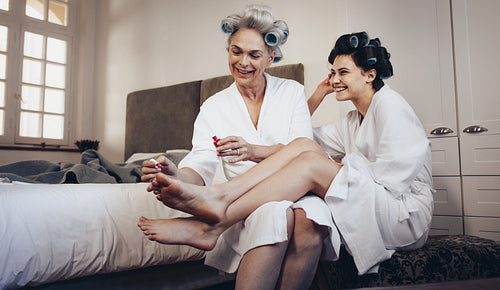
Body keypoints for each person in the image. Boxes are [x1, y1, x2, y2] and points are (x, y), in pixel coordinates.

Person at [138, 31, 434, 280]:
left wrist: (339, 165)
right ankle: (219, 204)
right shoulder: (352, 120)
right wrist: (317, 95)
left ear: (370, 75)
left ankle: (217, 215)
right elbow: (298, 142)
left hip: (402, 214)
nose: (334, 80)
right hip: (372, 202)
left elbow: (392, 180)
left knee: (311, 161)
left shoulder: (390, 106)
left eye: (343, 73)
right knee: (306, 152)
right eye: (332, 73)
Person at [139, 5, 330, 290]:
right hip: (249, 202)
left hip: (298, 191)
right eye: (236, 51)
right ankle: (218, 212)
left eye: (254, 55)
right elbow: (201, 162)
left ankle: (215, 217)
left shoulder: (291, 92)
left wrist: (254, 150)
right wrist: (176, 175)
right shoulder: (213, 107)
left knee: (310, 217)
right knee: (274, 213)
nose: (243, 62)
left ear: (270, 57)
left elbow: (303, 152)